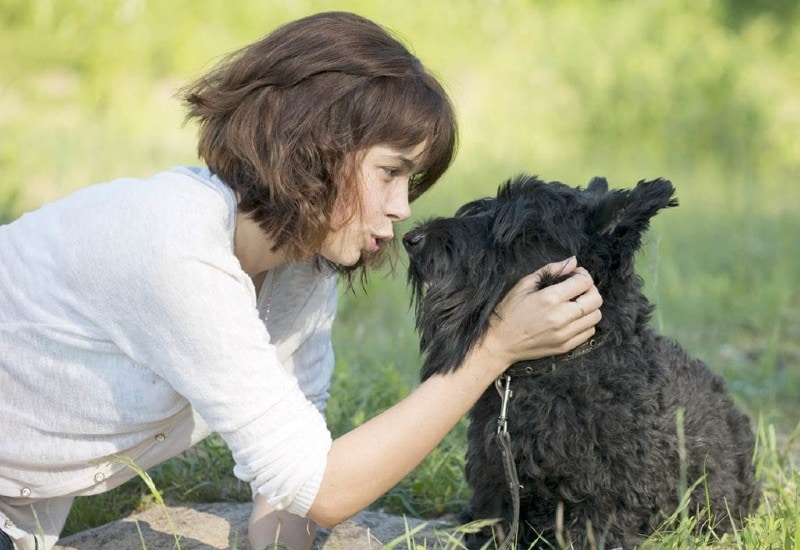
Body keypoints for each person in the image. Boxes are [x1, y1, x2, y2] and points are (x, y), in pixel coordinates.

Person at [0, 11, 602, 550]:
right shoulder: (175, 246)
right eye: (390, 172)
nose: (402, 209)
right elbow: (325, 490)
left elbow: (288, 472)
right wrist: (492, 350)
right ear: (313, 147)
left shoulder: (300, 263)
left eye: (410, 183)